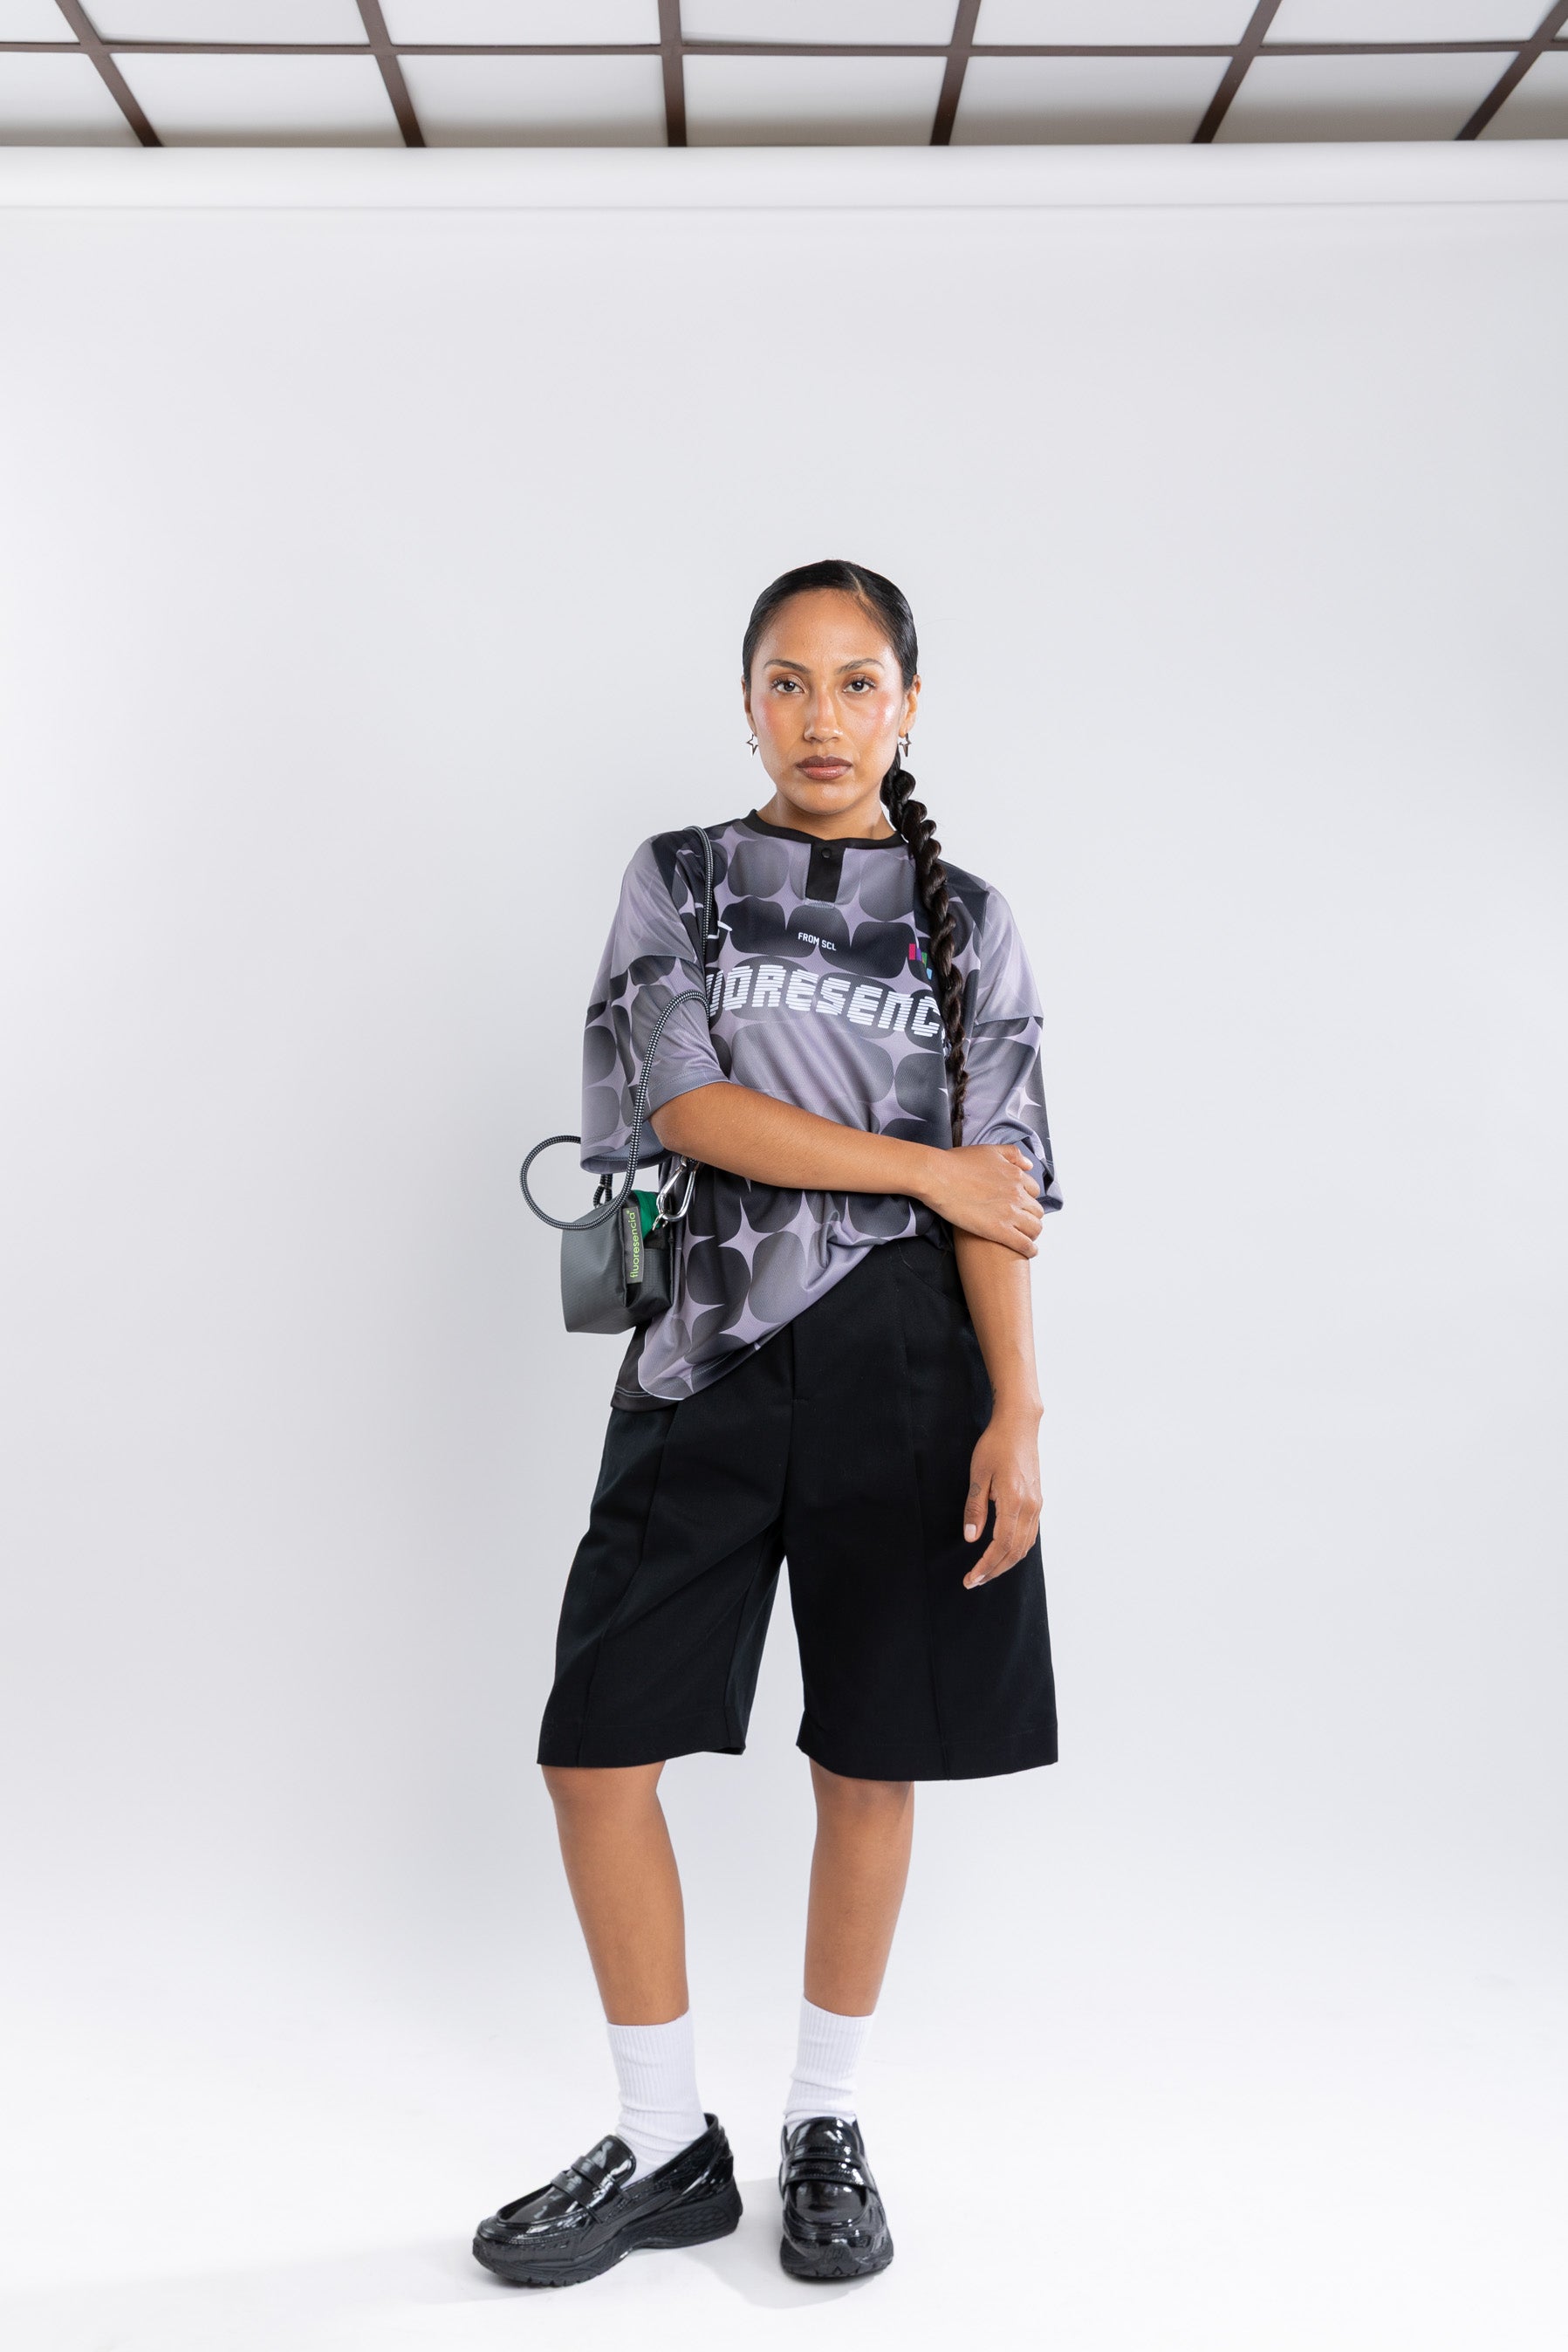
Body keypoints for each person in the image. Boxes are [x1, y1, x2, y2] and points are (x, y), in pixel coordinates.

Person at [473, 560, 1062, 2290]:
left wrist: (1017, 1411)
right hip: (705, 1353)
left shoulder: (969, 925)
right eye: (788, 682)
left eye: (856, 682)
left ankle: (823, 2118)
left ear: (907, 705)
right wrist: (916, 1167)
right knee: (595, 1749)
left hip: (909, 1365)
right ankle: (664, 2140)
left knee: (868, 1755)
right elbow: (687, 1106)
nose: (822, 716)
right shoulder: (680, 879)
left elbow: (1002, 1199)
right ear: (745, 704)